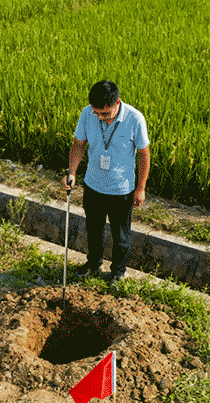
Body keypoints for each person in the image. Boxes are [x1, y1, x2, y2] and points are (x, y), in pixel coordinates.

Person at [62, 80, 150, 285]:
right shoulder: (87, 114)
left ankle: (118, 272)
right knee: (93, 229)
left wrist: (141, 188)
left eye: (105, 114)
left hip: (122, 190)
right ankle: (94, 263)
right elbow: (78, 144)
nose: (100, 118)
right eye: (97, 113)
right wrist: (72, 172)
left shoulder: (135, 119)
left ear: (117, 103)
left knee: (121, 236)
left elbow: (143, 155)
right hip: (93, 185)